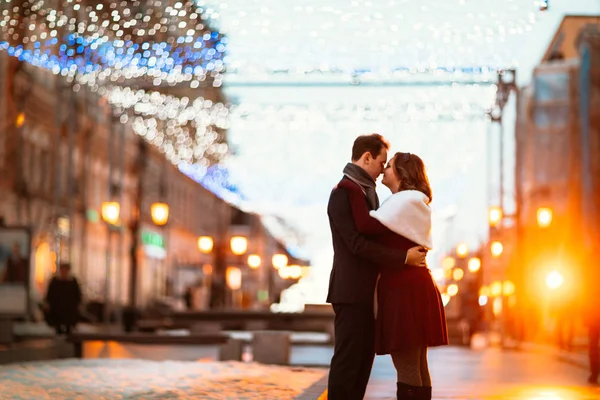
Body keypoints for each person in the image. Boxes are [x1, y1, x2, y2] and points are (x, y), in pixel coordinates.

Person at [338, 151, 448, 399]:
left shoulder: (403, 201)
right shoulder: (412, 202)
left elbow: (366, 226)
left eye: (389, 166)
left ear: (400, 173)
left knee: (408, 365)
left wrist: (350, 187)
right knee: (417, 364)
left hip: (404, 291)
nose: (383, 170)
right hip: (414, 287)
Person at [327, 134, 428, 400]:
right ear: (367, 157)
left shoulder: (366, 193)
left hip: (371, 295)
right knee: (348, 362)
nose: (383, 169)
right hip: (350, 292)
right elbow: (356, 244)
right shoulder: (343, 192)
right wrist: (402, 258)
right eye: (381, 162)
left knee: (363, 366)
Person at [44, 262, 82, 335]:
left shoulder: (72, 282)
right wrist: (48, 303)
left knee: (68, 325)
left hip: (69, 307)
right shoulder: (55, 281)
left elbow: (77, 294)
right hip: (57, 307)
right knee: (58, 324)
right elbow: (50, 294)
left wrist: (78, 304)